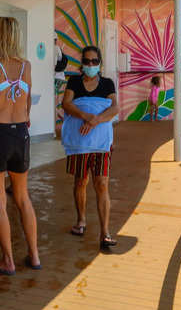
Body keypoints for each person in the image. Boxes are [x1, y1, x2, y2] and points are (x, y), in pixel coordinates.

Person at [0, 17, 41, 274]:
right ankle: (34, 256)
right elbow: (26, 107)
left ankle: (8, 260)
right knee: (23, 198)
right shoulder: (26, 66)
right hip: (20, 134)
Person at [61, 46, 119, 250]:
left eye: (95, 61)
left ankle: (105, 232)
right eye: (87, 61)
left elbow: (114, 108)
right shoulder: (74, 82)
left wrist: (95, 121)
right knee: (80, 181)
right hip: (80, 144)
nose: (91, 65)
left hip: (101, 144)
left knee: (102, 183)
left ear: (100, 63)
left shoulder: (107, 83)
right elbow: (66, 104)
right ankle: (81, 220)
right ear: (82, 63)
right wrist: (86, 116)